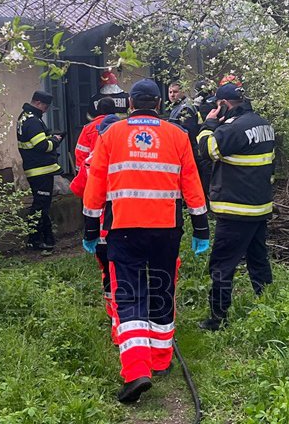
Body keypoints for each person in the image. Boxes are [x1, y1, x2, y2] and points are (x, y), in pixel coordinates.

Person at [82, 79, 210, 404]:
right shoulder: (177, 135)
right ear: (157, 104)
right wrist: (201, 229)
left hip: (123, 230)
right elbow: (191, 183)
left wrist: (89, 230)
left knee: (129, 294)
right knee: (163, 287)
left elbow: (95, 183)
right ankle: (161, 360)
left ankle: (137, 370)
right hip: (167, 230)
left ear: (130, 104)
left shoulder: (111, 135)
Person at [196, 82, 276, 331]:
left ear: (223, 104)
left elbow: (206, 150)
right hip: (259, 207)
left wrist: (208, 125)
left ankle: (217, 318)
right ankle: (269, 307)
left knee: (222, 264)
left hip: (235, 210)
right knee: (258, 261)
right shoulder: (263, 124)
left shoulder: (234, 129)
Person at [70, 113, 121, 344]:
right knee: (125, 276)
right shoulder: (127, 161)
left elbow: (78, 190)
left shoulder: (91, 161)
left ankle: (113, 316)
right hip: (123, 229)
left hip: (98, 232)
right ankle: (122, 323)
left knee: (108, 276)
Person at [16, 91, 64, 252]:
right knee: (40, 206)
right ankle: (36, 240)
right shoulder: (33, 121)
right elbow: (42, 146)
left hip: (36, 169)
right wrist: (55, 141)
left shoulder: (25, 117)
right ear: (37, 103)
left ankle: (45, 239)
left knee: (41, 205)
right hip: (40, 170)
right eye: (45, 106)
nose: (46, 110)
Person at [75, 97, 117, 169]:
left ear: (97, 110)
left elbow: (81, 152)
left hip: (95, 169)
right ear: (114, 110)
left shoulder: (88, 128)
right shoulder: (122, 126)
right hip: (117, 169)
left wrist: (81, 171)